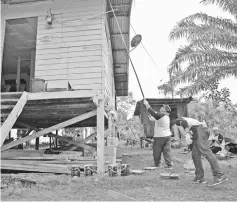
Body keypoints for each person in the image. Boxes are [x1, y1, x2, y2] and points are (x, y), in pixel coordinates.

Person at [174, 117, 228, 186]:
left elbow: (184, 123)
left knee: (207, 152)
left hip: (200, 130)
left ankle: (219, 175)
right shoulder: (188, 123)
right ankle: (200, 177)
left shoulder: (178, 121)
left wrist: (186, 133)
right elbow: (191, 130)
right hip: (198, 131)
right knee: (195, 155)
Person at [143, 100, 173, 169]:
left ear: (165, 110)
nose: (161, 108)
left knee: (156, 150)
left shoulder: (161, 115)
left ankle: (157, 164)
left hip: (160, 137)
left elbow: (153, 113)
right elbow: (157, 119)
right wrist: (151, 118)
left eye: (163, 107)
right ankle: (169, 165)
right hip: (167, 136)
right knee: (166, 151)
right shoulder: (166, 116)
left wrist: (147, 104)